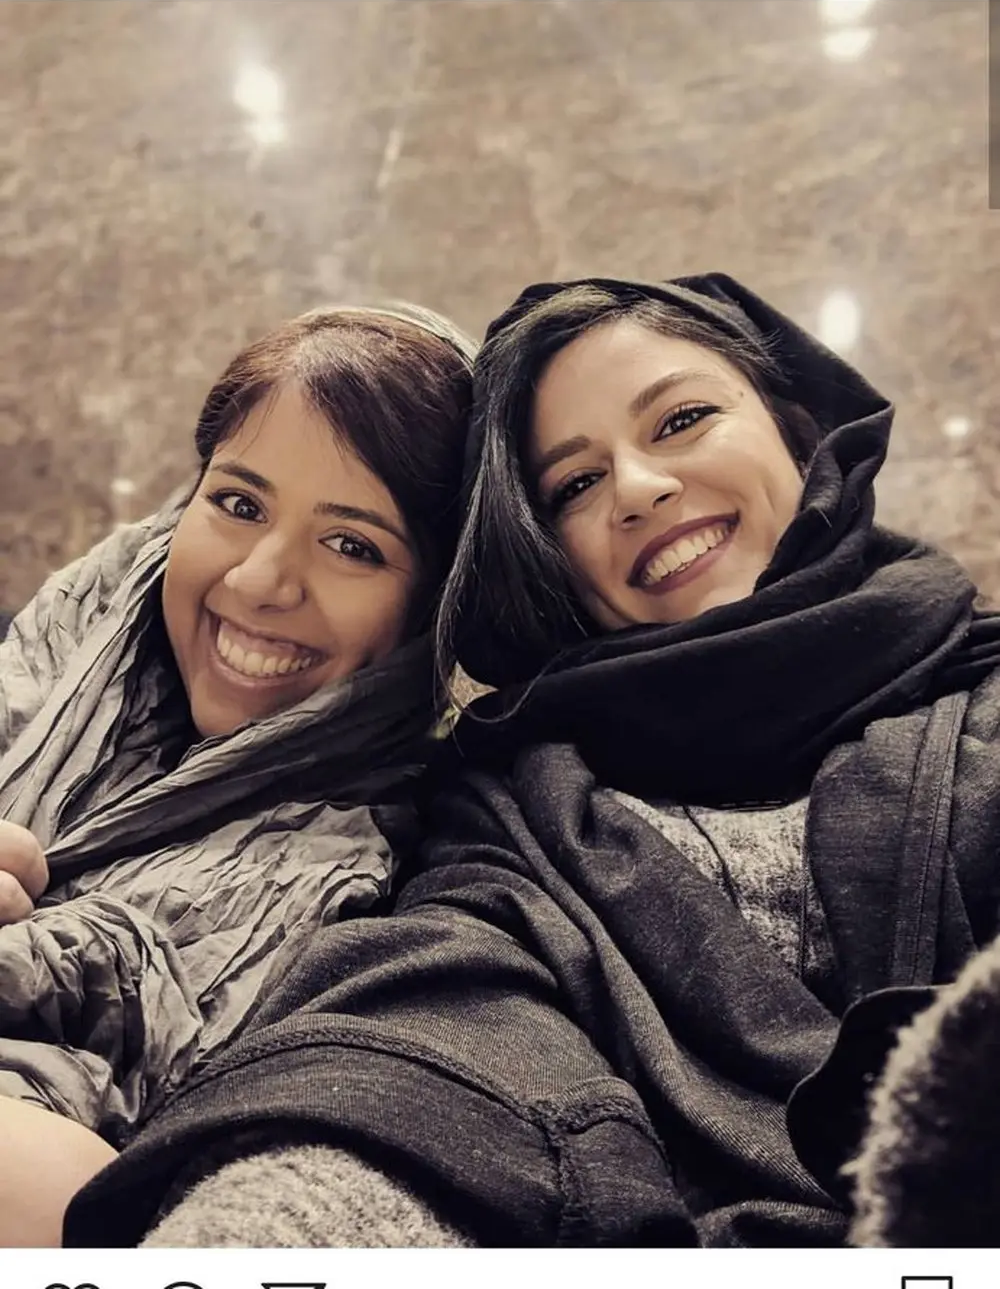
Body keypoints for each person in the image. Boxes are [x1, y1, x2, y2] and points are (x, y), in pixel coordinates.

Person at [64, 275, 1000, 1249]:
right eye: (574, 485)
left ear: (796, 427)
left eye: (681, 419)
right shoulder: (511, 829)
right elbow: (412, 1068)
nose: (637, 487)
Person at [0, 302, 474, 1245]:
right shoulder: (67, 641)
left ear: (435, 609)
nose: (260, 580)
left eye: (353, 545)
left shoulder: (389, 895)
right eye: (240, 504)